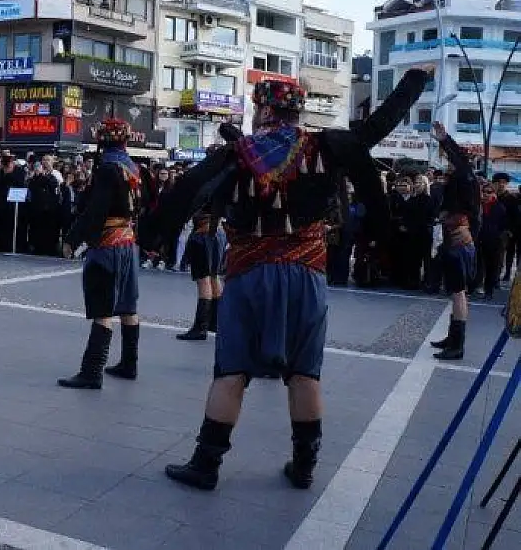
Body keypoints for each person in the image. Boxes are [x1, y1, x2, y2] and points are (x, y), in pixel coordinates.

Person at [142, 66, 430, 491]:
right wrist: (413, 81)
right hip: (307, 273)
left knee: (232, 371)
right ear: (299, 111)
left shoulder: (238, 154)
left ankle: (206, 465)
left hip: (249, 275)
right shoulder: (325, 146)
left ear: (261, 109)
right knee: (304, 373)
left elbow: (188, 189)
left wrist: (153, 238)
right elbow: (376, 127)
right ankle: (304, 465)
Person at [57, 118, 143, 389]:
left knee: (103, 306)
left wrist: (72, 239)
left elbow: (95, 210)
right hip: (128, 242)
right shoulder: (132, 167)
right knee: (128, 305)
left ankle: (92, 371)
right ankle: (129, 363)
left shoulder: (107, 169)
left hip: (108, 244)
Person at [428, 122, 479, 360]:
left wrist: (445, 139)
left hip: (459, 238)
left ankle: (457, 345)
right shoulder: (462, 176)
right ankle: (452, 337)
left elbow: (468, 212)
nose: (444, 157)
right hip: (455, 237)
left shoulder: (464, 175)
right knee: (455, 291)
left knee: (458, 292)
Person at [176, 200, 227, 341]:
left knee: (204, 280)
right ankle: (216, 322)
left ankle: (201, 327)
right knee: (214, 276)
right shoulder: (222, 182)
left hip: (204, 233)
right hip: (219, 231)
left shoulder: (205, 185)